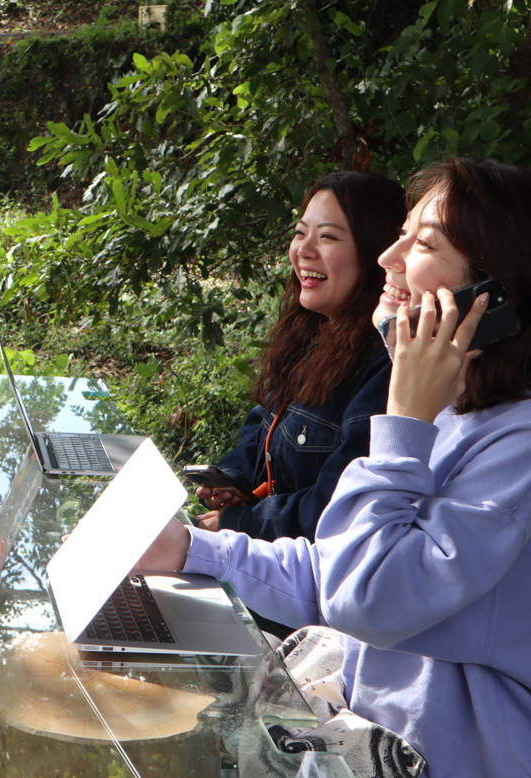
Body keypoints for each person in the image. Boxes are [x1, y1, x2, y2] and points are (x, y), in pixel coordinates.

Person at [142, 157, 531, 777]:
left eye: (424, 243)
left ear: (494, 295)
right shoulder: (456, 412)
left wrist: (403, 422)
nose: (388, 258)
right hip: (370, 731)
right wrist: (189, 549)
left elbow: (363, 598)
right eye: (400, 234)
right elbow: (332, 567)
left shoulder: (514, 451)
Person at [196, 172, 407, 544]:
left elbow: (338, 505)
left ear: (378, 252)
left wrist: (241, 522)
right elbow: (265, 419)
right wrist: (233, 479)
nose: (304, 250)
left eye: (327, 237)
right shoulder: (311, 329)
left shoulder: (387, 364)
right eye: (300, 233)